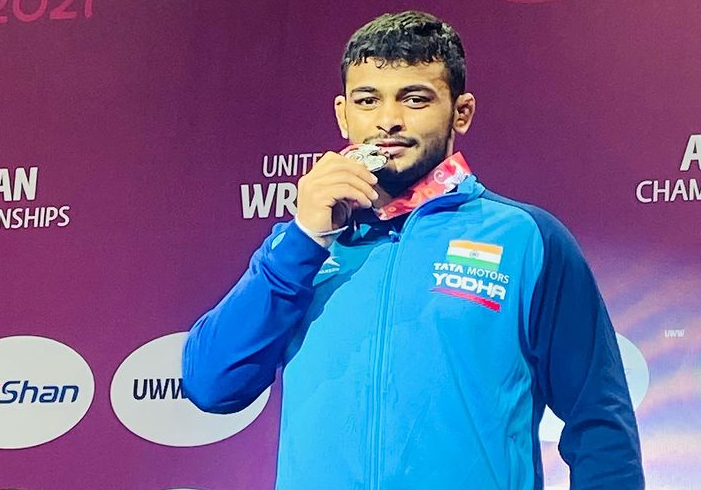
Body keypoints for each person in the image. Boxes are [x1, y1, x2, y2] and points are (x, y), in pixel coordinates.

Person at [182, 10, 644, 490]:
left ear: (461, 112)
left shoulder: (526, 237)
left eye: (415, 98)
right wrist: (304, 240)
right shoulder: (298, 249)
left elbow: (600, 422)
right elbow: (211, 385)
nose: (388, 120)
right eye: (368, 100)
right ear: (343, 114)